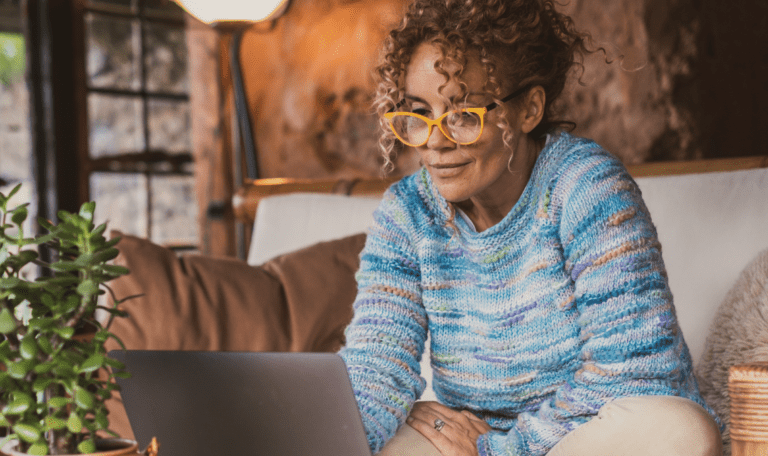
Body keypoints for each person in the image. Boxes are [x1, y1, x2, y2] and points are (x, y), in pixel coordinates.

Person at [337, 0, 723, 455]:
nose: (435, 141)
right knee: (381, 438)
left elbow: (634, 371)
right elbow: (375, 368)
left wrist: (500, 450)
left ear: (529, 110)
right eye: (419, 114)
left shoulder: (585, 187)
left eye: (462, 114)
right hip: (475, 440)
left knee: (679, 431)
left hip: (584, 433)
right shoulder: (407, 214)